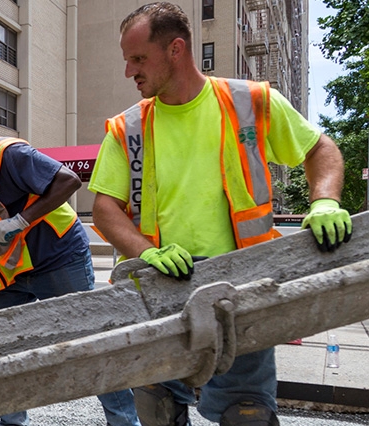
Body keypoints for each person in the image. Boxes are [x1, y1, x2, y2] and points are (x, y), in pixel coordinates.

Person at [90, 3, 352, 425]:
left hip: (240, 285)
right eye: (127, 60)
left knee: (244, 413)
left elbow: (320, 149)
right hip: (160, 288)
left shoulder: (250, 102)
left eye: (138, 59)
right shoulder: (128, 128)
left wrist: (324, 200)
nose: (129, 72)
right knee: (157, 408)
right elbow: (105, 208)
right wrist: (146, 251)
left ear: (176, 49)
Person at [0, 117, 141, 426]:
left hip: (57, 258)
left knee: (90, 341)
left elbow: (69, 180)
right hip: (8, 277)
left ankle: (124, 421)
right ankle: (11, 422)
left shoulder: (10, 155)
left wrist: (22, 220)